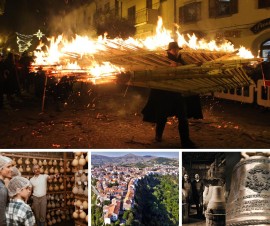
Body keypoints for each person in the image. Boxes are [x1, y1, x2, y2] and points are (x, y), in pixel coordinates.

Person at [141, 41, 203, 148]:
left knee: (183, 117)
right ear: (169, 50)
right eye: (173, 49)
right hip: (165, 94)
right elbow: (158, 71)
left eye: (177, 49)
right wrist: (169, 67)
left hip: (179, 94)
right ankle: (158, 136)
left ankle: (185, 141)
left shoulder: (181, 60)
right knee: (162, 116)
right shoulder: (164, 60)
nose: (175, 51)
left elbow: (188, 70)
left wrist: (194, 66)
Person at [0, 155, 13, 226]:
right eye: (8, 167)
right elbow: (1, 218)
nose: (11, 169)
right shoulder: (2, 189)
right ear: (0, 169)